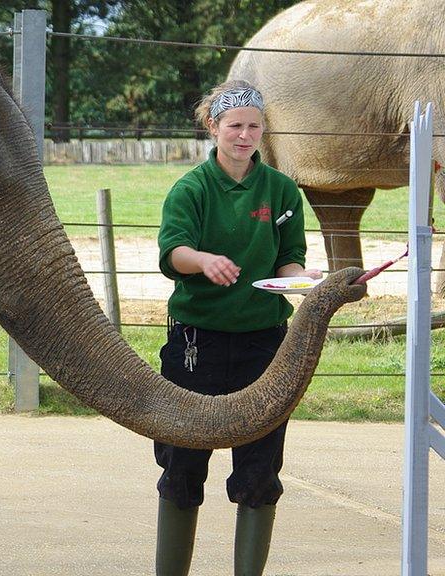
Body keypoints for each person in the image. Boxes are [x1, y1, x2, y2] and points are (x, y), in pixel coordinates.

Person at [153, 79, 322, 576]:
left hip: (265, 346)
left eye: (253, 126)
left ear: (262, 130)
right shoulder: (191, 189)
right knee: (182, 467)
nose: (244, 135)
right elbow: (172, 252)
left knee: (260, 469)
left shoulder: (280, 189)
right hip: (196, 345)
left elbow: (290, 260)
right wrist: (202, 261)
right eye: (234, 126)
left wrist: (305, 279)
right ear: (214, 128)